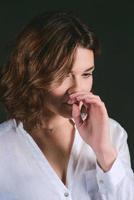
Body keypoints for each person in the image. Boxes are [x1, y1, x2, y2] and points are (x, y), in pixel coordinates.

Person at [0, 10, 134, 200]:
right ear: (33, 73)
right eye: (63, 75)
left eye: (86, 74)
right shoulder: (3, 147)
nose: (77, 89)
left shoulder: (112, 135)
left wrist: (104, 153)